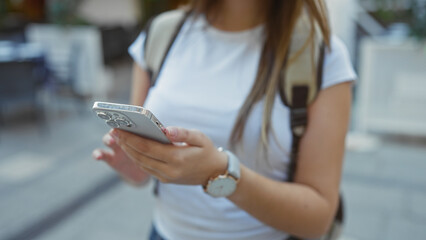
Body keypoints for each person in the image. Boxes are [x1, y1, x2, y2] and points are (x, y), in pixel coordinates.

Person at [92, 0, 357, 239]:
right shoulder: (162, 33)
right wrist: (135, 165)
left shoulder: (321, 54)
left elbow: (318, 219)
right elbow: (144, 174)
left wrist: (220, 173)